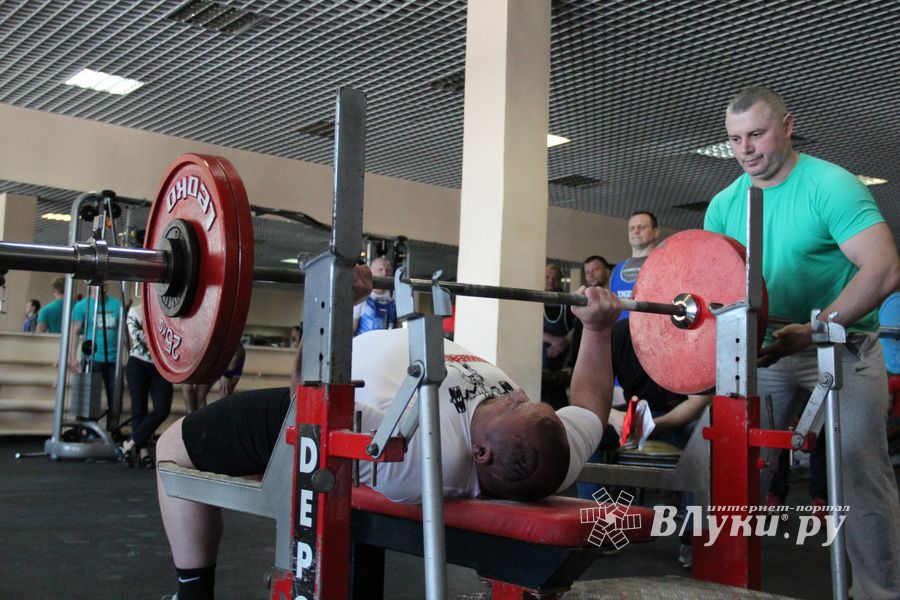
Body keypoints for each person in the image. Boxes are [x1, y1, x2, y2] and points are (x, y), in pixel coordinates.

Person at [154, 265, 620, 600]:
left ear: (480, 453)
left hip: (333, 396)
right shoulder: (555, 451)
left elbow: (312, 406)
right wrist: (597, 328)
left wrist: (334, 304)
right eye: (523, 397)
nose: (515, 393)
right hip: (367, 383)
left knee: (172, 448)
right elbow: (590, 409)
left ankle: (191, 592)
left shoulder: (421, 456)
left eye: (512, 404)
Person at [704, 84, 900, 599]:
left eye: (756, 134)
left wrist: (815, 329)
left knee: (858, 469)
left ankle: (878, 593)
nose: (745, 149)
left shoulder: (832, 186)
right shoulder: (723, 206)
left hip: (838, 348)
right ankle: (721, 584)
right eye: (735, 139)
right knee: (725, 467)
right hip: (765, 353)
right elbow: (714, 294)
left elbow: (883, 269)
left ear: (788, 126)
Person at [121, 302, 173, 468]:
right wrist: (163, 337)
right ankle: (143, 453)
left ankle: (130, 443)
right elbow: (138, 337)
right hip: (138, 363)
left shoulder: (170, 312)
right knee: (139, 409)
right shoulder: (136, 311)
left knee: (162, 409)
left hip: (161, 366)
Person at [69, 283, 123, 407]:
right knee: (88, 402)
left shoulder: (117, 305)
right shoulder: (82, 306)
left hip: (114, 361)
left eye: (106, 281)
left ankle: (112, 420)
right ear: (91, 284)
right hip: (91, 359)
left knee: (115, 400)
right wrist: (71, 357)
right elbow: (74, 333)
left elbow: (124, 332)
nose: (104, 283)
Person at [609, 211, 660, 320]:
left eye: (642, 227)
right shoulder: (618, 269)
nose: (636, 231)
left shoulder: (663, 264)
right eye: (632, 228)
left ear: (655, 233)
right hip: (619, 328)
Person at [541, 264, 578, 409]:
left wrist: (564, 342)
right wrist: (553, 340)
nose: (551, 280)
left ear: (560, 281)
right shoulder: (535, 300)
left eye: (555, 278)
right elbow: (528, 327)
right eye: (547, 277)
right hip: (540, 362)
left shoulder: (567, 301)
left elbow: (578, 326)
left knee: (560, 401)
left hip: (563, 361)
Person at [182, 342, 246, 414]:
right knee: (199, 392)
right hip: (213, 359)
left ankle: (224, 418)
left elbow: (238, 353)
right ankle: (196, 419)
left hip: (231, 359)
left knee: (224, 396)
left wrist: (226, 375)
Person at [352, 256, 399, 335]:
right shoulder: (362, 297)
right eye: (380, 270)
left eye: (388, 270)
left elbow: (399, 326)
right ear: (371, 272)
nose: (384, 273)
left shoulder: (395, 298)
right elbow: (352, 329)